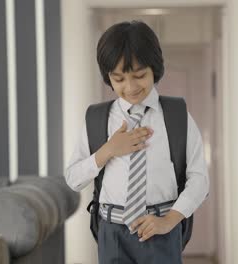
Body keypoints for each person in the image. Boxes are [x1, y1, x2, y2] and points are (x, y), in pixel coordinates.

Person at [65, 20, 210, 264]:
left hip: (161, 230)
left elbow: (200, 180)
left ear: (155, 69)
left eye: (139, 75)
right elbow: (73, 179)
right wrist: (109, 150)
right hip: (112, 233)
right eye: (119, 79)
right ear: (108, 78)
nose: (130, 87)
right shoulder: (97, 118)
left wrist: (170, 220)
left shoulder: (176, 115)